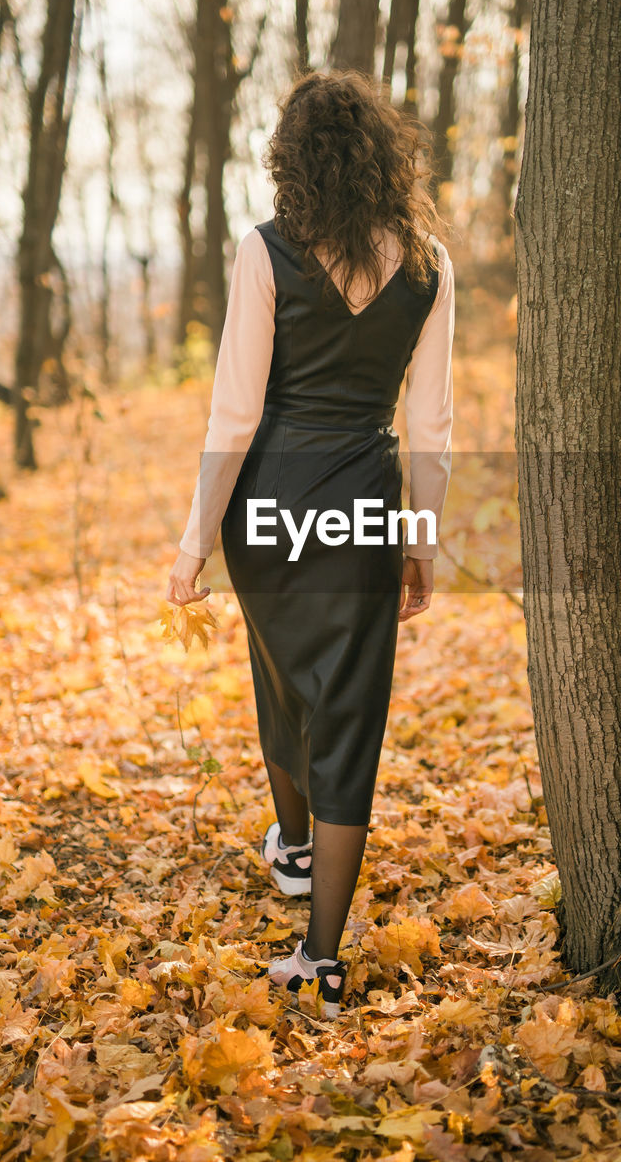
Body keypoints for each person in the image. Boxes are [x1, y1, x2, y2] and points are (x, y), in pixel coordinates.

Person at [166, 70, 454, 1018]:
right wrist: (419, 542)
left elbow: (235, 411)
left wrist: (195, 543)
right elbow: (432, 423)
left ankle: (293, 852)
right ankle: (320, 953)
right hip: (365, 500)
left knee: (284, 672)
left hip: (270, 502)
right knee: (349, 708)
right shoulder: (429, 266)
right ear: (385, 154)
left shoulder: (266, 252)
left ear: (293, 160)